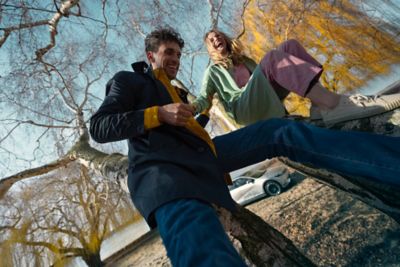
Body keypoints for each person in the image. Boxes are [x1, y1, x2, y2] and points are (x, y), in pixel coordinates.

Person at [89, 27, 400, 267]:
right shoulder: (129, 81)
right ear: (150, 55)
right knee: (203, 247)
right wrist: (158, 114)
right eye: (168, 53)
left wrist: (202, 113)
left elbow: (192, 123)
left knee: (280, 131)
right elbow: (100, 127)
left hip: (207, 155)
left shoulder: (176, 91)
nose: (174, 60)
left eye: (178, 56)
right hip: (166, 176)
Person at [191, 29, 400, 126]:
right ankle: (333, 104)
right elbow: (203, 98)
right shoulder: (213, 72)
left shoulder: (246, 61)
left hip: (264, 101)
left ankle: (319, 105)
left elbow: (264, 85)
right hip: (245, 110)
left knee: (289, 46)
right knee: (273, 58)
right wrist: (191, 109)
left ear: (225, 39)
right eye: (210, 40)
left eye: (218, 35)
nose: (215, 38)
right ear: (210, 49)